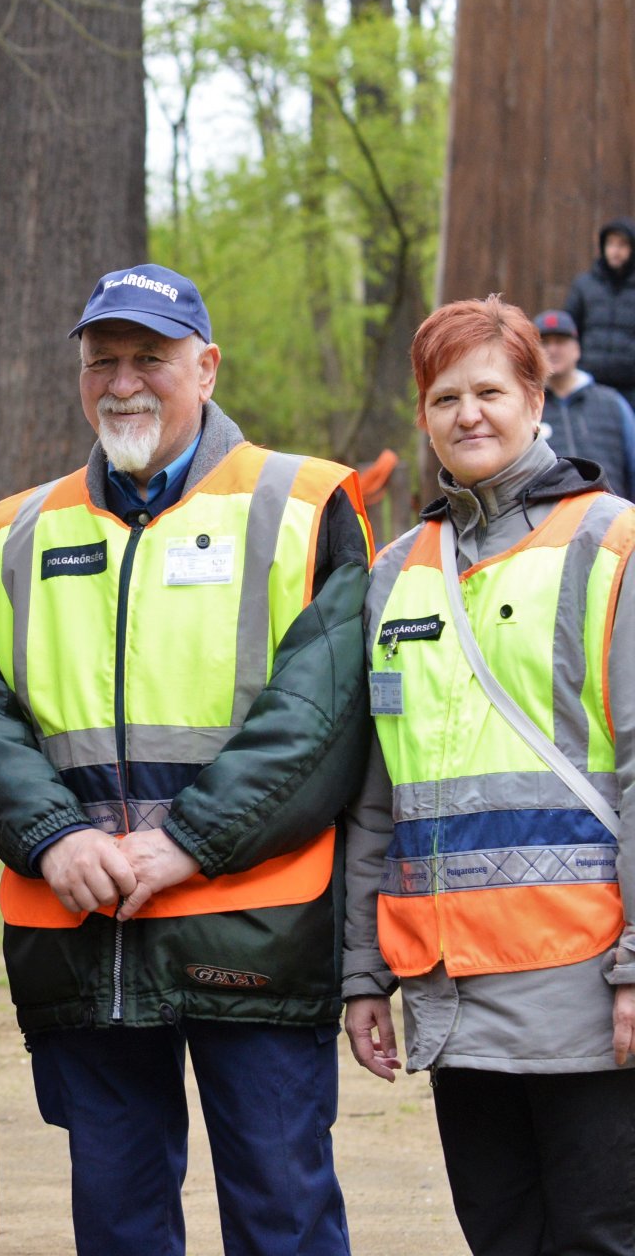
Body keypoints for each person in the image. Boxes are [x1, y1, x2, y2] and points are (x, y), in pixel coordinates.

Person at [0, 263, 372, 1256]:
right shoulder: (15, 530)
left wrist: (186, 841)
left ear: (208, 367)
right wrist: (52, 836)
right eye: (104, 362)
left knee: (284, 1212)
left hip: (255, 937)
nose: (125, 382)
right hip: (84, 936)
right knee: (119, 1221)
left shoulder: (306, 505)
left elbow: (319, 716)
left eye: (152, 358)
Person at [342, 296, 635, 1255]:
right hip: (451, 996)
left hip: (588, 990)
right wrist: (361, 976)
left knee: (598, 1236)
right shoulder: (395, 573)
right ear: (422, 412)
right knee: (500, 1236)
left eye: (490, 392)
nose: (468, 414)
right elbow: (377, 792)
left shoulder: (612, 544)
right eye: (444, 396)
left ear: (533, 396)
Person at [535, 307, 635, 497]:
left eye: (561, 341)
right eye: (544, 342)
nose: (553, 349)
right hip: (551, 522)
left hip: (612, 520)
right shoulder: (527, 408)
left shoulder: (612, 403)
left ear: (577, 349)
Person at [564, 217, 635, 397]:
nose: (615, 251)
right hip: (590, 380)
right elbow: (569, 328)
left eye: (622, 245)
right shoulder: (585, 285)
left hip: (630, 385)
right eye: (610, 244)